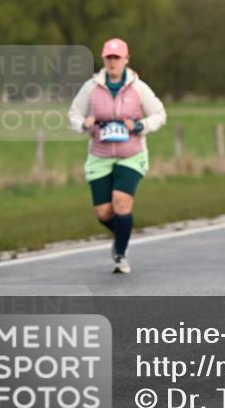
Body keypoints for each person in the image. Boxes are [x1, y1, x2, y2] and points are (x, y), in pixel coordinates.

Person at [68, 38, 167, 273]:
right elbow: (73, 114)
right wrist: (84, 123)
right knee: (103, 212)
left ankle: (120, 254)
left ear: (126, 59)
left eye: (117, 58)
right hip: (100, 155)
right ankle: (122, 237)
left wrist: (140, 125)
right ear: (104, 60)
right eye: (109, 58)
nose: (113, 62)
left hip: (130, 154)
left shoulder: (138, 87)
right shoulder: (91, 87)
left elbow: (160, 114)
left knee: (121, 202)